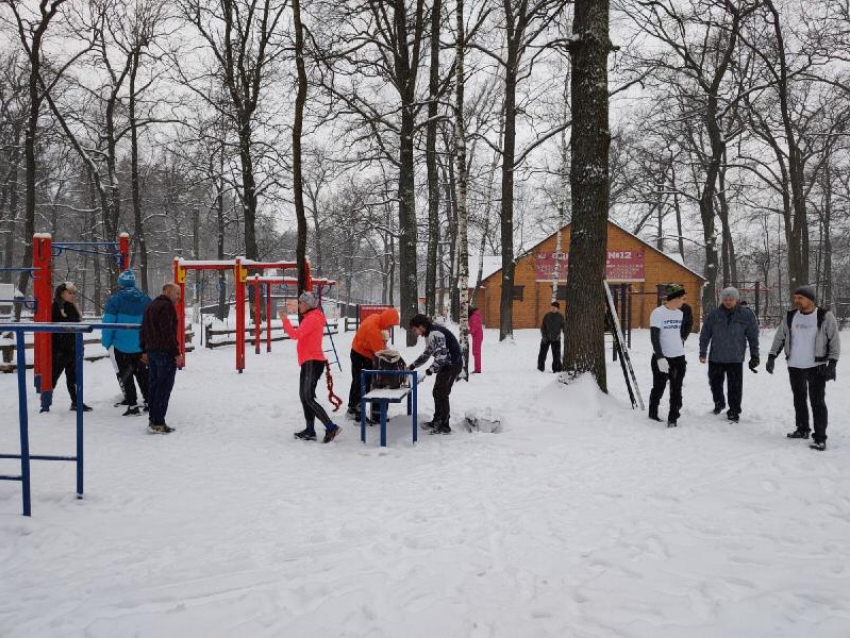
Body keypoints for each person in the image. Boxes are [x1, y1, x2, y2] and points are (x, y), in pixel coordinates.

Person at [766, 285, 841, 451]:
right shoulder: (790, 316)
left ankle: (820, 438)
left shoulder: (824, 316)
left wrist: (832, 364)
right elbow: (780, 337)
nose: (796, 301)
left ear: (810, 299)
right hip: (795, 365)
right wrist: (772, 356)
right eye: (795, 298)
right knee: (799, 399)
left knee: (817, 402)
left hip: (816, 366)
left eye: (800, 298)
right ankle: (802, 429)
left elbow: (834, 341)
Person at [282, 291, 341, 443]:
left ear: (307, 304)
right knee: (305, 396)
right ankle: (310, 430)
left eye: (301, 303)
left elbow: (296, 334)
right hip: (309, 362)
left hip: (312, 362)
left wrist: (284, 320)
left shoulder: (312, 318)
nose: (299, 306)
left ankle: (331, 427)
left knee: (307, 397)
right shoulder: (311, 317)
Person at [698, 287, 760, 423]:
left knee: (735, 387)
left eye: (730, 299)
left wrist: (755, 355)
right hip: (716, 357)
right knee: (715, 384)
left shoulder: (746, 315)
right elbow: (705, 334)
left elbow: (753, 336)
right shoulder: (714, 315)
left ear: (736, 299)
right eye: (725, 299)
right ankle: (719, 403)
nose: (727, 302)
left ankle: (734, 411)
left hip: (735, 358)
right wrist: (703, 352)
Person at [102, 269, 152, 416]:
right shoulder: (145, 299)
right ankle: (149, 401)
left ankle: (132, 405)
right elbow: (151, 322)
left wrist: (107, 342)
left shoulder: (114, 300)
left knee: (126, 376)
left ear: (120, 284)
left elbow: (108, 324)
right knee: (143, 375)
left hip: (121, 346)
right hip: (141, 346)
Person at [408, 314, 463, 434]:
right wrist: (413, 365)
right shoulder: (430, 334)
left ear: (421, 326)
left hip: (452, 365)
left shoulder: (435, 334)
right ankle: (437, 421)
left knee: (442, 394)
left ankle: (444, 426)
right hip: (446, 365)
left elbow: (442, 357)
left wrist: (430, 370)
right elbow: (427, 353)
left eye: (415, 330)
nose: (415, 333)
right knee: (437, 392)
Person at [140, 283, 184, 434]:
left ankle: (153, 419)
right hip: (164, 353)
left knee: (154, 386)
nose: (179, 297)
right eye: (176, 293)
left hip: (152, 352)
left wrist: (144, 349)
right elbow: (168, 333)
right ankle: (158, 423)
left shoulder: (151, 306)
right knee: (163, 388)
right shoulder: (167, 307)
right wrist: (176, 353)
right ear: (167, 291)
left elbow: (143, 329)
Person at [347, 307, 400, 423]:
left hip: (361, 353)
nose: (389, 328)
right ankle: (355, 410)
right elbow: (381, 354)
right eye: (390, 325)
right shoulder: (373, 330)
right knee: (361, 382)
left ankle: (353, 407)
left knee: (359, 381)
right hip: (360, 355)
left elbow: (379, 347)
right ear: (387, 320)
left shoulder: (376, 318)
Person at [648, 284, 688, 427]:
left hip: (679, 357)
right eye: (682, 298)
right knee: (659, 387)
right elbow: (654, 337)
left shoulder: (680, 313)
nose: (684, 301)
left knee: (676, 388)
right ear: (674, 298)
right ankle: (652, 412)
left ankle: (673, 418)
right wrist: (659, 357)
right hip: (662, 357)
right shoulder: (658, 313)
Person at [50, 282, 91, 411]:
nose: (73, 295)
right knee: (52, 376)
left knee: (74, 377)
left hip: (74, 348)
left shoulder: (73, 307)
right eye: (70, 293)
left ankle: (76, 401)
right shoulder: (55, 307)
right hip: (60, 349)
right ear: (62, 293)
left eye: (74, 293)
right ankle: (45, 400)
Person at [538, 302, 565, 372]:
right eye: (552, 307)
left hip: (556, 339)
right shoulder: (547, 316)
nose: (553, 308)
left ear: (557, 309)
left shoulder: (561, 317)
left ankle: (556, 369)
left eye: (554, 307)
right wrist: (544, 336)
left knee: (556, 355)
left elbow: (564, 327)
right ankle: (540, 368)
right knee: (542, 354)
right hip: (546, 338)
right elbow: (543, 327)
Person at [469, 306, 484, 374]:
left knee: (476, 353)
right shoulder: (475, 315)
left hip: (477, 336)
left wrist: (469, 331)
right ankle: (477, 368)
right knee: (476, 352)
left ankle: (477, 369)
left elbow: (475, 327)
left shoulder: (474, 317)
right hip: (477, 336)